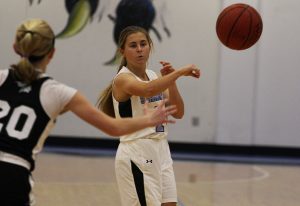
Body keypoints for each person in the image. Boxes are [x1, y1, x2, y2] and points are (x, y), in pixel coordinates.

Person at [0, 19, 177, 206]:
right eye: (134, 45)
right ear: (52, 53)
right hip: (15, 175)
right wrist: (149, 120)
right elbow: (113, 127)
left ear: (15, 47)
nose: (140, 49)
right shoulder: (59, 92)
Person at [98, 26, 200, 206]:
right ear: (123, 51)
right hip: (137, 150)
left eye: (143, 44)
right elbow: (147, 90)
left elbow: (178, 112)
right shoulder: (123, 79)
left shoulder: (153, 76)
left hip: (161, 148)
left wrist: (172, 81)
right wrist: (180, 72)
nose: (139, 49)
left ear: (150, 47)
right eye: (133, 45)